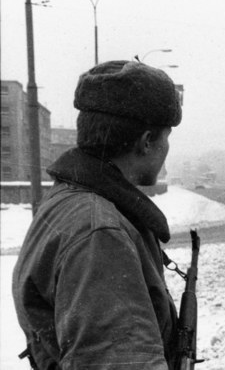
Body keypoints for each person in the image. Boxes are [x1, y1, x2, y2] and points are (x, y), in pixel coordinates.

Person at [12, 60, 183, 369]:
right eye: (166, 136)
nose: (167, 147)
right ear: (146, 142)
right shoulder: (100, 234)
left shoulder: (71, 200)